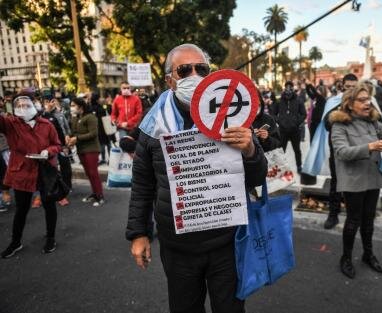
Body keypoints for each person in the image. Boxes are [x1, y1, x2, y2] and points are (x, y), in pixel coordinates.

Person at [126, 43, 267, 313]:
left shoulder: (232, 115)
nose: (194, 75)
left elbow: (258, 175)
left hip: (226, 242)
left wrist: (249, 149)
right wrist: (139, 234)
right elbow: (142, 184)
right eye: (184, 70)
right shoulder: (152, 125)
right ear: (170, 80)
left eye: (201, 69)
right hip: (178, 247)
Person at [330, 84, 382, 278]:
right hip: (353, 181)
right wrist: (370, 146)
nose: (367, 103)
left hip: (373, 177)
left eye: (368, 99)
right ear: (349, 104)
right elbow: (342, 152)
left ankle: (368, 254)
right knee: (353, 221)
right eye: (362, 100)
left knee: (369, 221)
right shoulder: (339, 125)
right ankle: (346, 258)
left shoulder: (372, 122)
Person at [0, 94, 62, 258]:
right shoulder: (11, 124)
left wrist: (47, 151)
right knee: (21, 209)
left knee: (49, 205)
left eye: (27, 104)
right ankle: (15, 242)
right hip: (22, 171)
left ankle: (50, 238)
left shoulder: (46, 124)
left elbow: (57, 144)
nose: (23, 108)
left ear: (34, 105)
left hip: (44, 170)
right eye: (19, 105)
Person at [322, 73, 358, 229]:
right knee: (336, 183)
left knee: (356, 184)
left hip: (358, 151)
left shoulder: (363, 103)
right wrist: (341, 114)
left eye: (353, 87)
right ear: (342, 86)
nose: (350, 89)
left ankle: (354, 216)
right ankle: (333, 214)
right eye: (347, 86)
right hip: (337, 151)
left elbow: (377, 122)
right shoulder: (334, 102)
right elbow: (326, 124)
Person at [67, 97, 105, 206]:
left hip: (91, 149)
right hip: (81, 149)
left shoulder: (91, 117)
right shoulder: (75, 118)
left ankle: (100, 195)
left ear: (81, 106)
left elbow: (93, 133)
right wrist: (69, 137)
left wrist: (77, 138)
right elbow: (73, 132)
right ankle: (94, 193)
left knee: (93, 173)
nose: (72, 107)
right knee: (88, 173)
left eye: (73, 105)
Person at [272, 80, 307, 173]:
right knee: (281, 150)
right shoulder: (279, 100)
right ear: (284, 88)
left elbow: (304, 114)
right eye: (286, 86)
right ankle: (279, 168)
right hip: (282, 130)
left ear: (293, 88)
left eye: (290, 87)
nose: (288, 89)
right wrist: (280, 121)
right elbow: (273, 113)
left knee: (297, 150)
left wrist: (296, 122)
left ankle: (299, 167)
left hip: (295, 130)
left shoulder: (298, 100)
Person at [43, 96, 72, 206]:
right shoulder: (42, 116)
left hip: (62, 145)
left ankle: (67, 188)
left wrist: (67, 139)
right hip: (50, 147)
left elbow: (66, 129)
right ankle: (59, 194)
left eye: (52, 101)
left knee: (66, 168)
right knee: (55, 170)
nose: (50, 103)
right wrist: (48, 111)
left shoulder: (60, 114)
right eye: (47, 102)